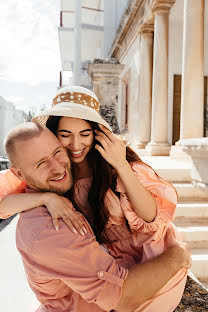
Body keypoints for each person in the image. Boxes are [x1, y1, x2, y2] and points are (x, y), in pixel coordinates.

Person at [0, 86, 188, 311]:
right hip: (107, 266)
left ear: (96, 133)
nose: (76, 145)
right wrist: (47, 198)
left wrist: (120, 163)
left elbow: (150, 217)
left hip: (144, 256)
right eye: (65, 135)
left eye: (84, 134)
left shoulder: (110, 166)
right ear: (54, 134)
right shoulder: (51, 173)